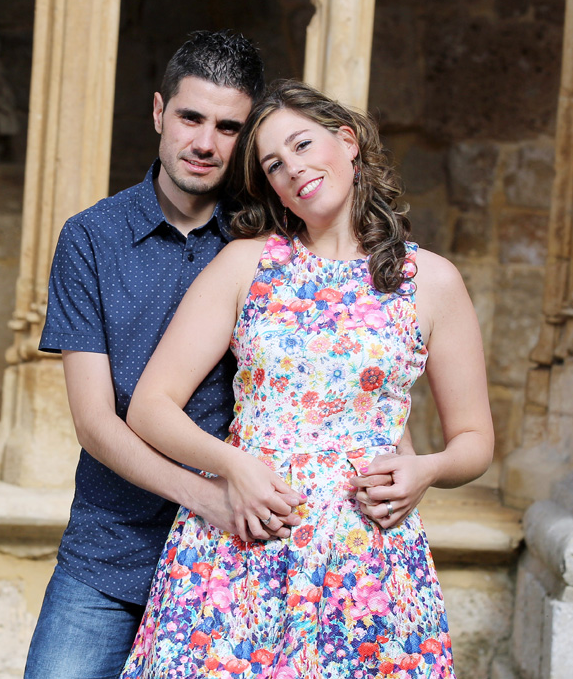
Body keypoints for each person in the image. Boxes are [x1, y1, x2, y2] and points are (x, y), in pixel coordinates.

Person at [121, 80, 494, 678]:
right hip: (240, 552)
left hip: (367, 563)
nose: (292, 168)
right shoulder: (247, 263)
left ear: (347, 142)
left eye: (301, 145)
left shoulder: (433, 282)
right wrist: (235, 465)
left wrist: (426, 470)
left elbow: (475, 440)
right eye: (273, 164)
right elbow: (150, 405)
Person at [23, 30, 295, 679]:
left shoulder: (269, 242)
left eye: (228, 127)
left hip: (235, 555)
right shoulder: (92, 238)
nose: (205, 142)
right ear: (158, 112)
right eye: (190, 117)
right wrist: (201, 494)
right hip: (110, 554)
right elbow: (94, 421)